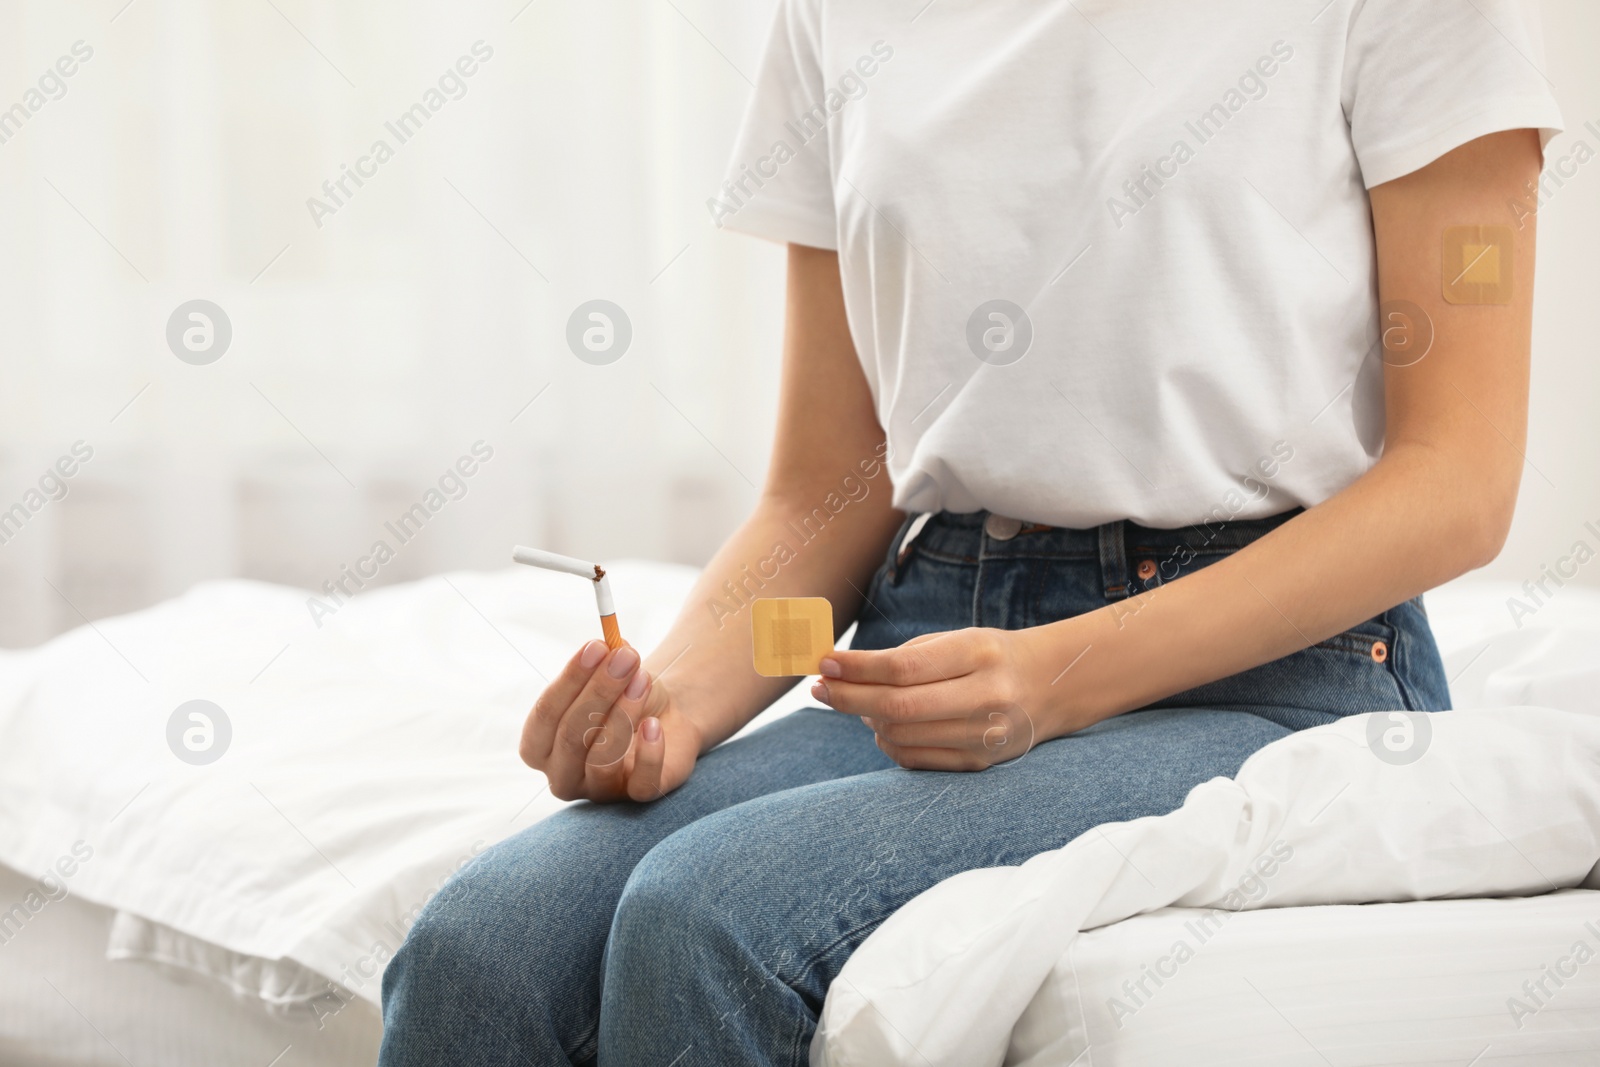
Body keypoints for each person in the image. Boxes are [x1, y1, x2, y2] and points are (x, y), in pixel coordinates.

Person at [379, 1, 1563, 1063]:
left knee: (705, 916)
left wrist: (1058, 676)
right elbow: (830, 487)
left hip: (1271, 673)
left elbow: (1454, 479)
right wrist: (673, 704)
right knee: (480, 945)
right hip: (932, 627)